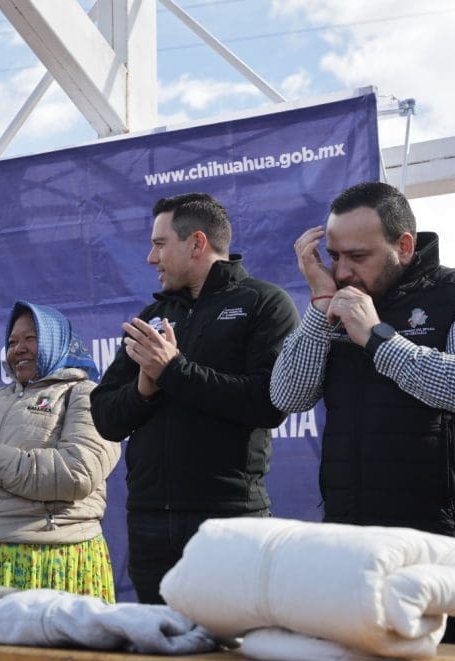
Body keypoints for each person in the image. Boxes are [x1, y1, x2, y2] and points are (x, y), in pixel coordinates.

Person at [270, 181, 455, 646]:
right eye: (334, 255)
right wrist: (321, 305)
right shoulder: (337, 302)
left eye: (357, 257)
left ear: (403, 245)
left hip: (448, 548)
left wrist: (378, 338)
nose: (342, 270)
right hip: (355, 548)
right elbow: (286, 395)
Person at [90, 192, 299, 604]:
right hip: (149, 522)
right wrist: (144, 390)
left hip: (228, 519)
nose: (151, 257)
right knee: (158, 658)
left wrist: (173, 371)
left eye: (160, 244)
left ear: (197, 243)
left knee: (227, 660)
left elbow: (268, 402)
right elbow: (105, 417)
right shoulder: (153, 317)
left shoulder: (264, 303)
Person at [0, 301, 120, 601]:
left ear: (56, 339)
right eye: (12, 342)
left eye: (30, 338)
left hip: (50, 559)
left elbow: (79, 471)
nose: (18, 349)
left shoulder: (83, 394)